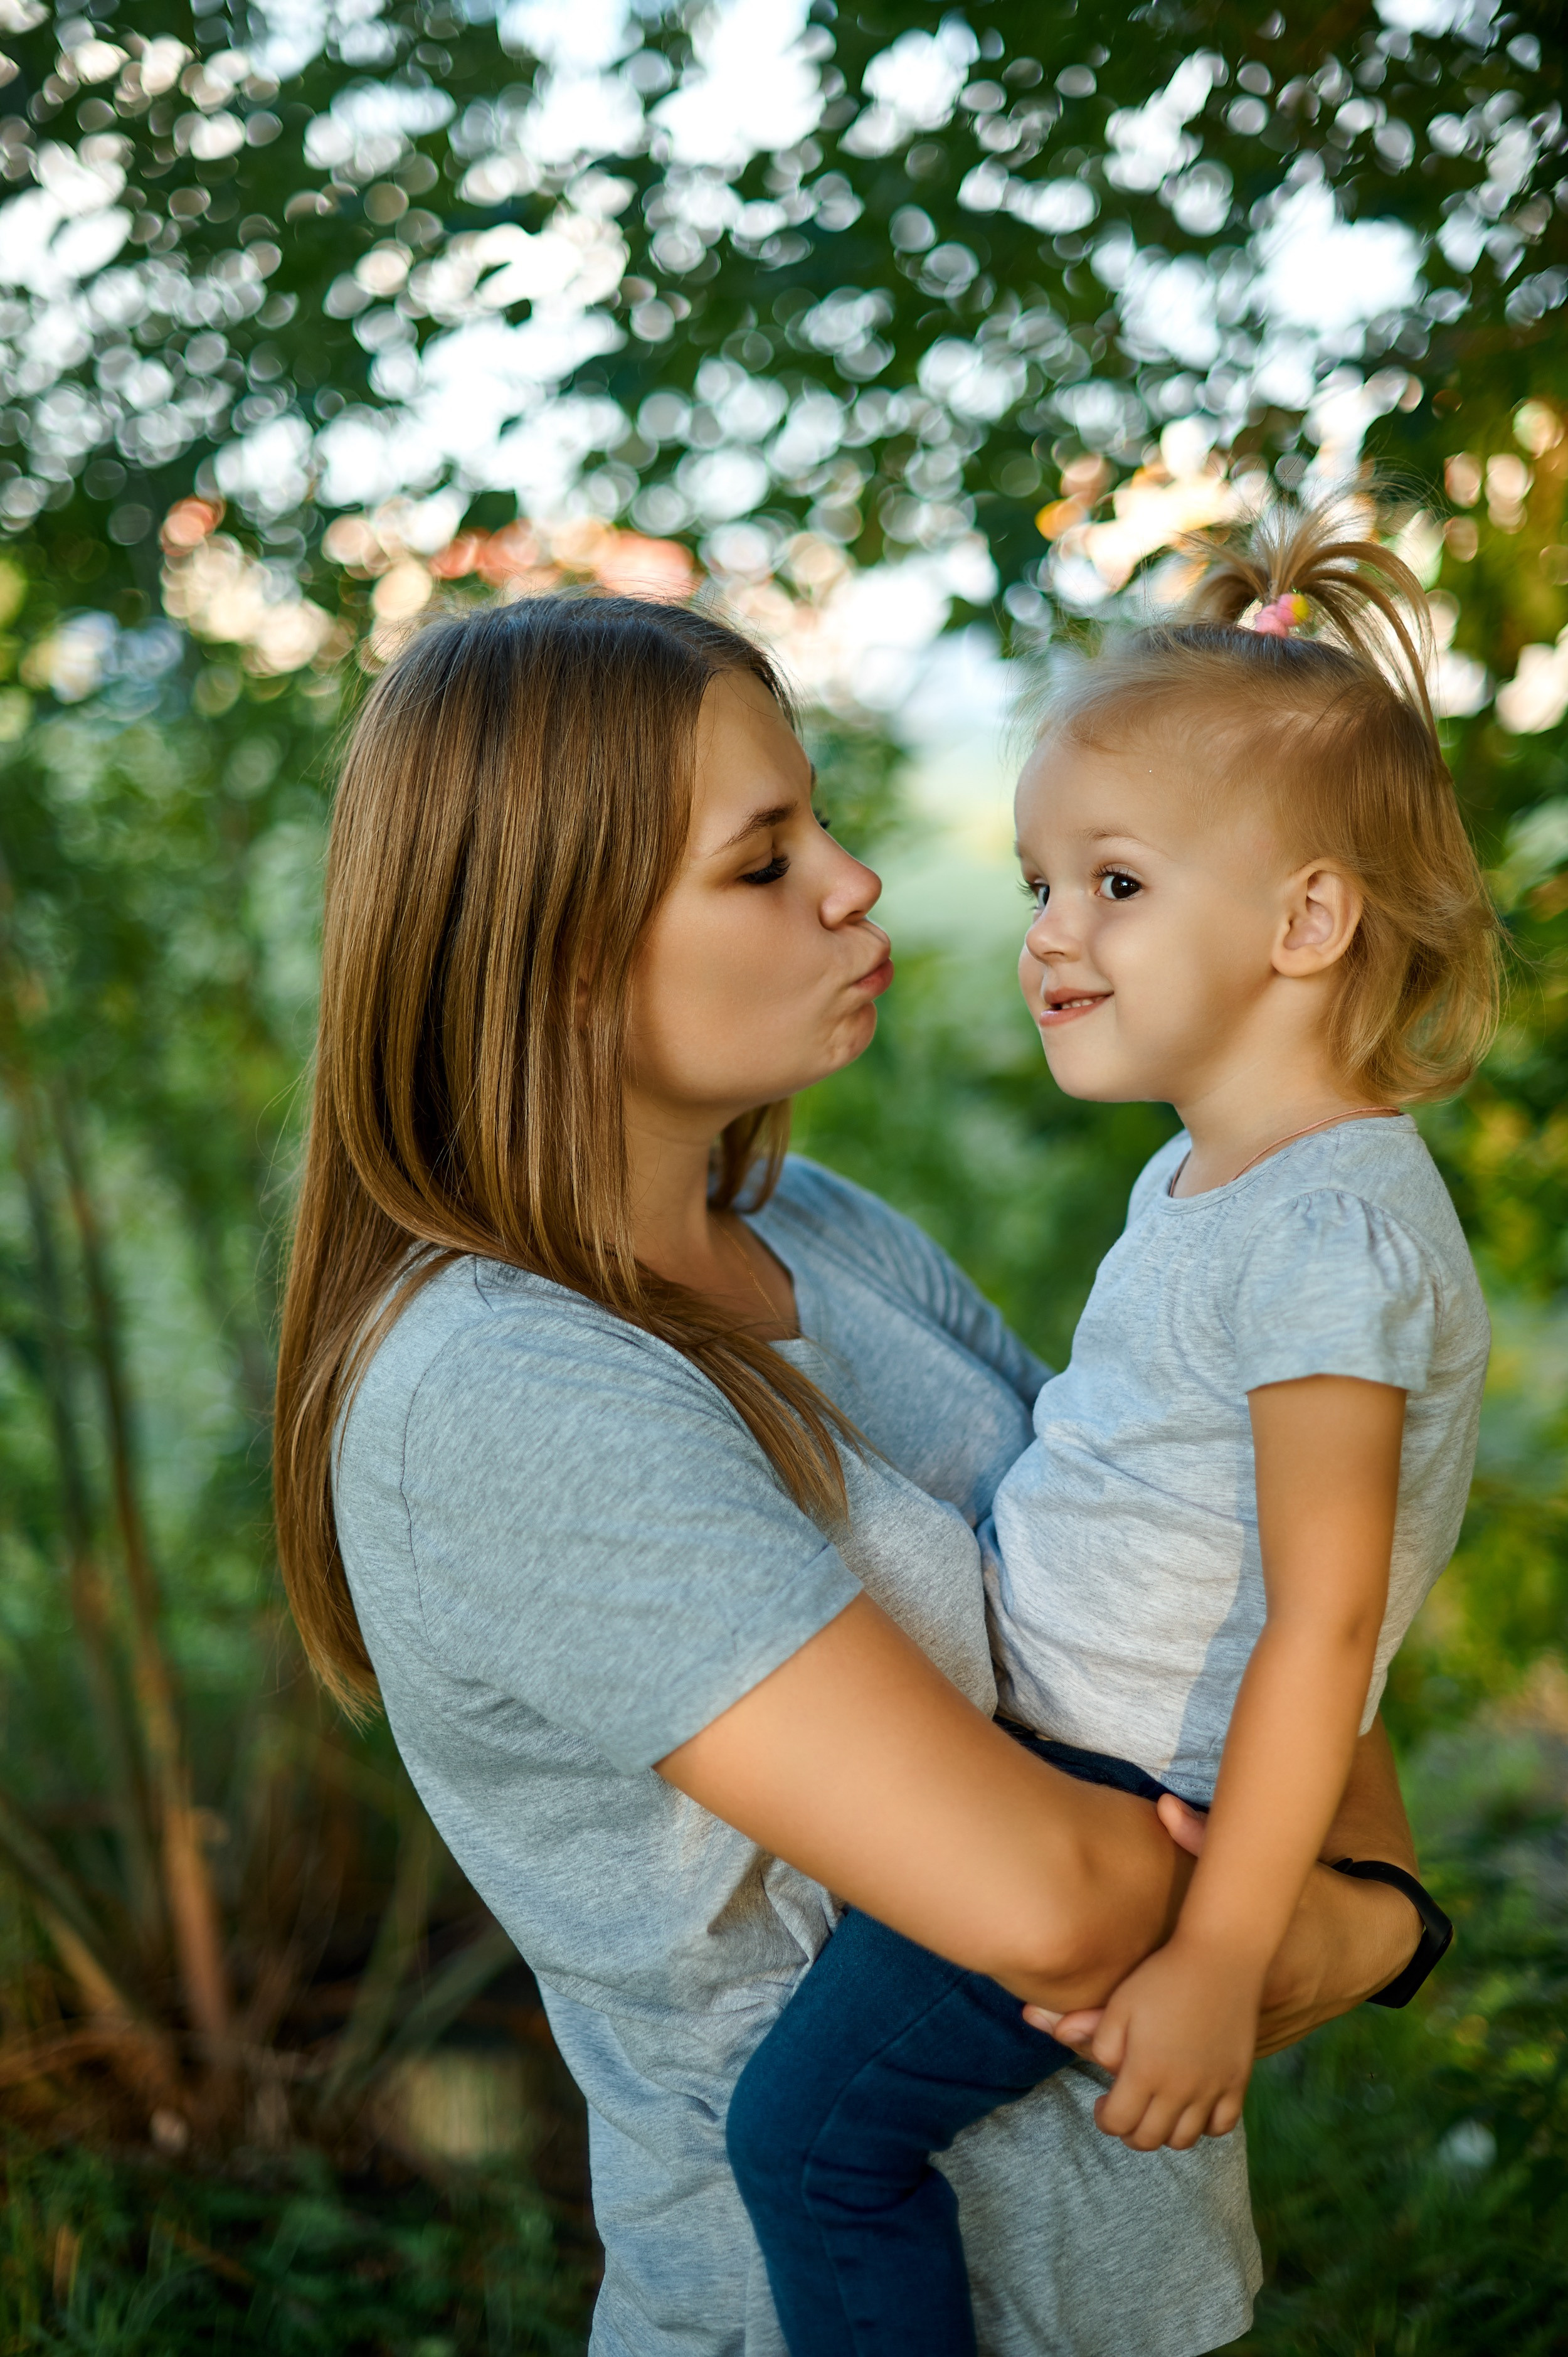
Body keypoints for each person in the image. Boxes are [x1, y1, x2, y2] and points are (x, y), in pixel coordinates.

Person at [272, 588, 1439, 2357]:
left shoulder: (825, 1232)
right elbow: (1053, 1908)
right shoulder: (498, 1394)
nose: (852, 880)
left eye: (818, 821)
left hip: (1143, 2296)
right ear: (558, 955)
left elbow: (1245, 1592)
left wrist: (1357, 1917)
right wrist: (1336, 1927)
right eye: (763, 861)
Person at [724, 506, 1493, 2356]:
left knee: (810, 2148)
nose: (1049, 934)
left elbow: (1326, 1619)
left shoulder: (1326, 1238)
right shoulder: (1219, 1176)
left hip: (1111, 1795)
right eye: (1038, 882)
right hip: (1078, 1758)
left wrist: (1220, 1954)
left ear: (1308, 921)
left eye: (1117, 884)